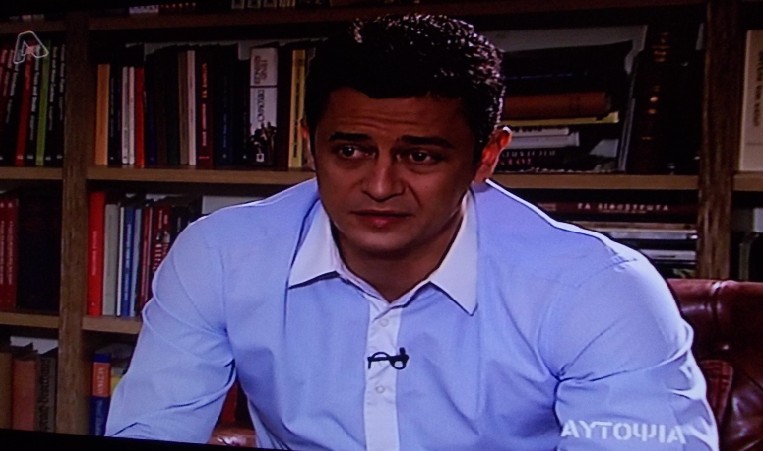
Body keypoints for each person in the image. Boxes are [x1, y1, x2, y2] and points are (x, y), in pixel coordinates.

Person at [106, 13, 719, 450]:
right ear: (309, 144)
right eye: (349, 151)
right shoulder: (220, 255)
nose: (379, 186)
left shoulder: (598, 289)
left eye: (420, 156)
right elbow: (151, 430)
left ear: (486, 157)